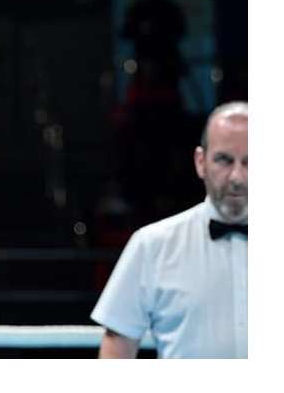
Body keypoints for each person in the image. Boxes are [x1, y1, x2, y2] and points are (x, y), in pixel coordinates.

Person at [91, 101, 247, 358]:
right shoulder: (152, 245)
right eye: (224, 160)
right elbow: (116, 351)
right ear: (200, 162)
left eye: (250, 162)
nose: (237, 177)